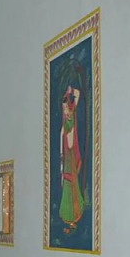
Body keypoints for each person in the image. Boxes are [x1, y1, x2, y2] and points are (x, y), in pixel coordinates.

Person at [58, 85, 85, 233]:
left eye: (65, 108)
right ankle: (69, 215)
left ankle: (74, 216)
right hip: (67, 156)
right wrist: (62, 156)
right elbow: (61, 135)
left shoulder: (72, 111)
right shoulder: (65, 122)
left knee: (73, 183)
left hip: (72, 154)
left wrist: (70, 91)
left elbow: (78, 93)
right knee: (67, 184)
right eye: (63, 109)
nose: (65, 111)